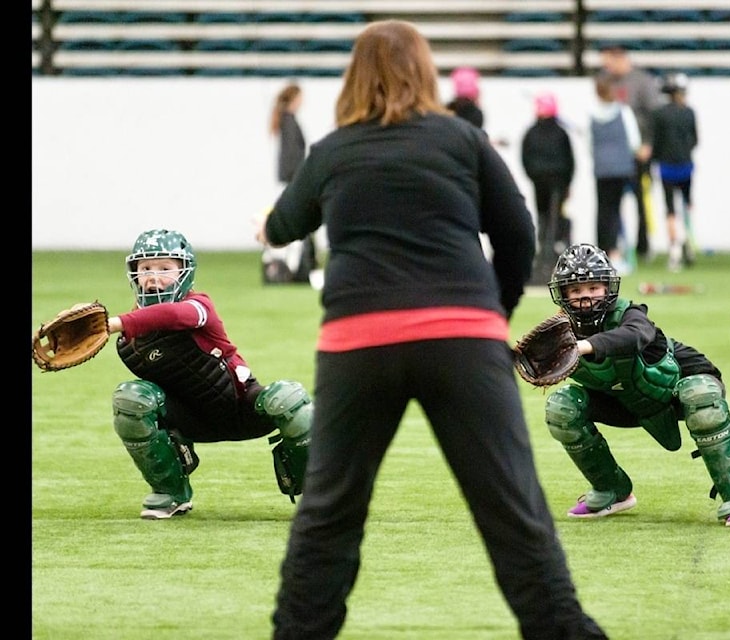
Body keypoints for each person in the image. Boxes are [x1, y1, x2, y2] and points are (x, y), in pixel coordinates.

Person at [257, 20, 607, 639]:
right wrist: (490, 314)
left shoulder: (333, 149)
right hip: (461, 341)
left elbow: (285, 225)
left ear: (353, 77)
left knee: (330, 513)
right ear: (426, 72)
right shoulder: (462, 140)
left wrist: (272, 227)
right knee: (513, 512)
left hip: (358, 344)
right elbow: (520, 234)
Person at [539, 242, 730, 527]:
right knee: (562, 407)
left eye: (594, 288)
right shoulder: (560, 333)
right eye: (576, 291)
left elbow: (634, 336)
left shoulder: (631, 315)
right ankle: (612, 490)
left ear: (608, 288)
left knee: (701, 395)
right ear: (563, 295)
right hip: (625, 399)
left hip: (675, 389)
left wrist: (584, 346)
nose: (587, 298)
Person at [106, 228, 314, 519]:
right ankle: (170, 493)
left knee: (289, 399)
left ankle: (317, 496)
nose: (154, 276)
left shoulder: (199, 305)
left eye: (165, 268)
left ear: (185, 272)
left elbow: (175, 316)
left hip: (239, 407)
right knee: (131, 399)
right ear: (134, 274)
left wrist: (116, 321)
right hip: (189, 418)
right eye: (146, 268)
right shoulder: (130, 340)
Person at [596, 43, 663, 264]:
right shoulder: (606, 81)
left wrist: (648, 144)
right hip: (615, 156)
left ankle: (643, 245)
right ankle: (609, 247)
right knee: (610, 205)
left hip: (638, 154)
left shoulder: (642, 81)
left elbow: (654, 116)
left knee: (642, 201)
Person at [521, 91, 575, 285]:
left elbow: (525, 157)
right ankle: (551, 257)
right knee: (554, 218)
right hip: (558, 182)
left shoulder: (531, 132)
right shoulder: (561, 133)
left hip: (539, 181)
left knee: (543, 217)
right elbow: (570, 161)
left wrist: (533, 175)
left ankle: (544, 255)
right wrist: (568, 183)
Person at [589, 74, 642, 274]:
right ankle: (614, 255)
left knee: (602, 211)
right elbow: (634, 142)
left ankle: (601, 255)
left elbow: (589, 145)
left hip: (601, 169)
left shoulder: (591, 113)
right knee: (615, 211)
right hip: (620, 169)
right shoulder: (623, 111)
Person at [263, 82, 315, 284]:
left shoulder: (285, 120)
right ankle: (296, 268)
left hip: (289, 178)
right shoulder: (290, 121)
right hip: (293, 178)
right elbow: (293, 154)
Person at [650, 73, 698, 272]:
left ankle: (674, 249)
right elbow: (695, 140)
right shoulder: (688, 112)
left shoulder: (659, 114)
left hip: (666, 167)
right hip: (686, 165)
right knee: (687, 204)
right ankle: (689, 240)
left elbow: (656, 142)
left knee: (670, 208)